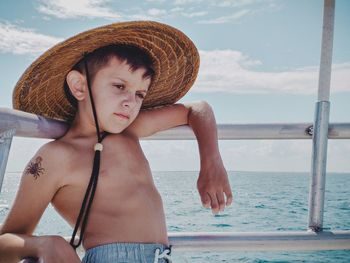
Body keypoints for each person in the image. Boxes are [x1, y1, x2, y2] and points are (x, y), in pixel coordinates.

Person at [0, 21, 233, 263]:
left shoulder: (129, 131)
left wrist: (211, 163)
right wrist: (47, 244)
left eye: (140, 94)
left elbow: (197, 109)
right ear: (79, 86)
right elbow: (6, 239)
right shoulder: (54, 157)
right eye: (119, 86)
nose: (131, 103)